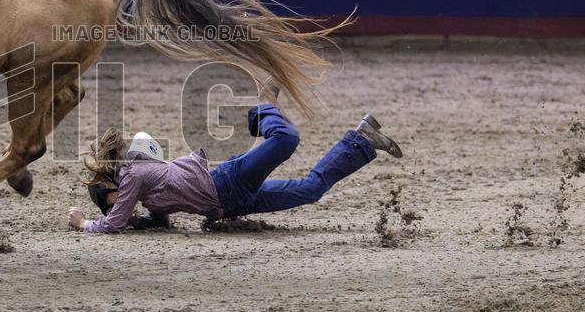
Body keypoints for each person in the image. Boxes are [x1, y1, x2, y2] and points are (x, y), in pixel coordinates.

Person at [68, 87, 404, 233]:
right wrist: (141, 222)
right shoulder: (142, 191)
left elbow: (112, 223)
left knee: (287, 139)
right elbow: (154, 217)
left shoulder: (131, 176)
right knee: (310, 190)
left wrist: (85, 224)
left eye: (107, 202)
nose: (112, 208)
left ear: (108, 185)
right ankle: (361, 140)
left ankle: (263, 107)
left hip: (226, 182)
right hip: (229, 204)